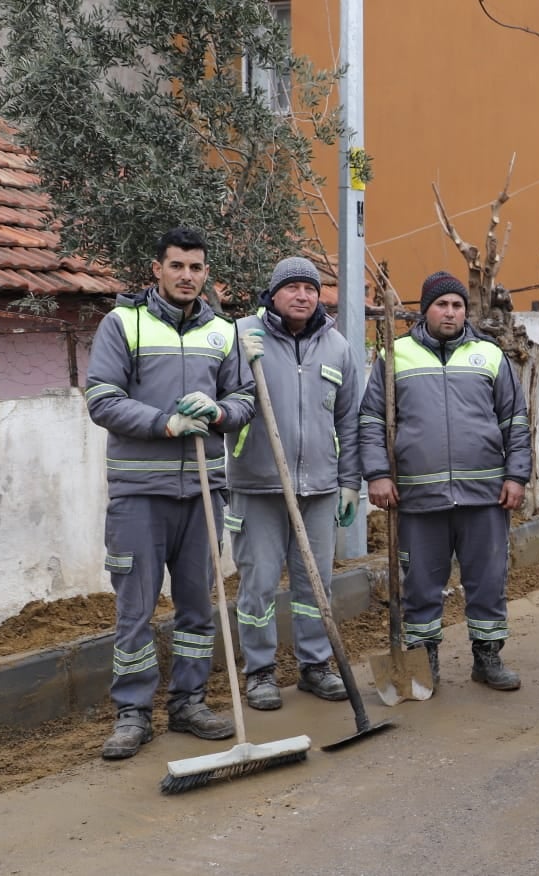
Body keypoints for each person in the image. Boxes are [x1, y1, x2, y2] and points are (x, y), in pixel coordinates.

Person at [85, 227, 256, 760]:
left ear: (207, 274)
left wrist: (221, 412)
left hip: (205, 490)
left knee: (197, 609)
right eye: (177, 266)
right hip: (140, 493)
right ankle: (133, 713)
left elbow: (244, 398)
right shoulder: (123, 324)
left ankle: (188, 701)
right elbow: (102, 398)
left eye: (196, 267)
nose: (187, 276)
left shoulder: (223, 333)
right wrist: (166, 424)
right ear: (157, 269)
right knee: (134, 609)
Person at [360, 271, 531, 691]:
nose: (451, 311)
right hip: (418, 496)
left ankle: (487, 658)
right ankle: (424, 661)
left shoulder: (489, 355)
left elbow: (516, 421)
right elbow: (371, 421)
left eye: (457, 305)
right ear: (425, 310)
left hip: (485, 495)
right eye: (442, 304)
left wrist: (517, 476)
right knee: (420, 583)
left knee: (487, 579)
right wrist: (378, 474)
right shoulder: (395, 356)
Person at [227, 256, 360, 710]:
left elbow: (349, 419)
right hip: (258, 484)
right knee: (259, 584)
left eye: (311, 288)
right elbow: (226, 403)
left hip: (320, 487)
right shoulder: (244, 336)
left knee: (315, 585)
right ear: (273, 293)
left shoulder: (337, 346)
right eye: (292, 288)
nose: (303, 295)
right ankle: (260, 672)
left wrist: (350, 483)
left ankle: (315, 666)